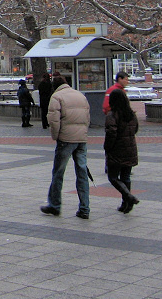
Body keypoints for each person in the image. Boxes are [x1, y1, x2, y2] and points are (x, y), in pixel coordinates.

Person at [40, 72, 91, 219]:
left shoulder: (56, 97)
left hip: (66, 139)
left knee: (58, 173)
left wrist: (56, 136)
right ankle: (84, 208)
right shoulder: (80, 95)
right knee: (82, 173)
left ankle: (55, 205)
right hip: (81, 139)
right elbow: (87, 118)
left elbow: (54, 121)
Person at [105, 88, 140, 213]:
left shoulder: (112, 115)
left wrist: (107, 147)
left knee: (113, 177)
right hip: (130, 149)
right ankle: (126, 204)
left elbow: (111, 133)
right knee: (125, 177)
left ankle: (129, 197)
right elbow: (135, 129)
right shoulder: (131, 114)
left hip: (117, 150)